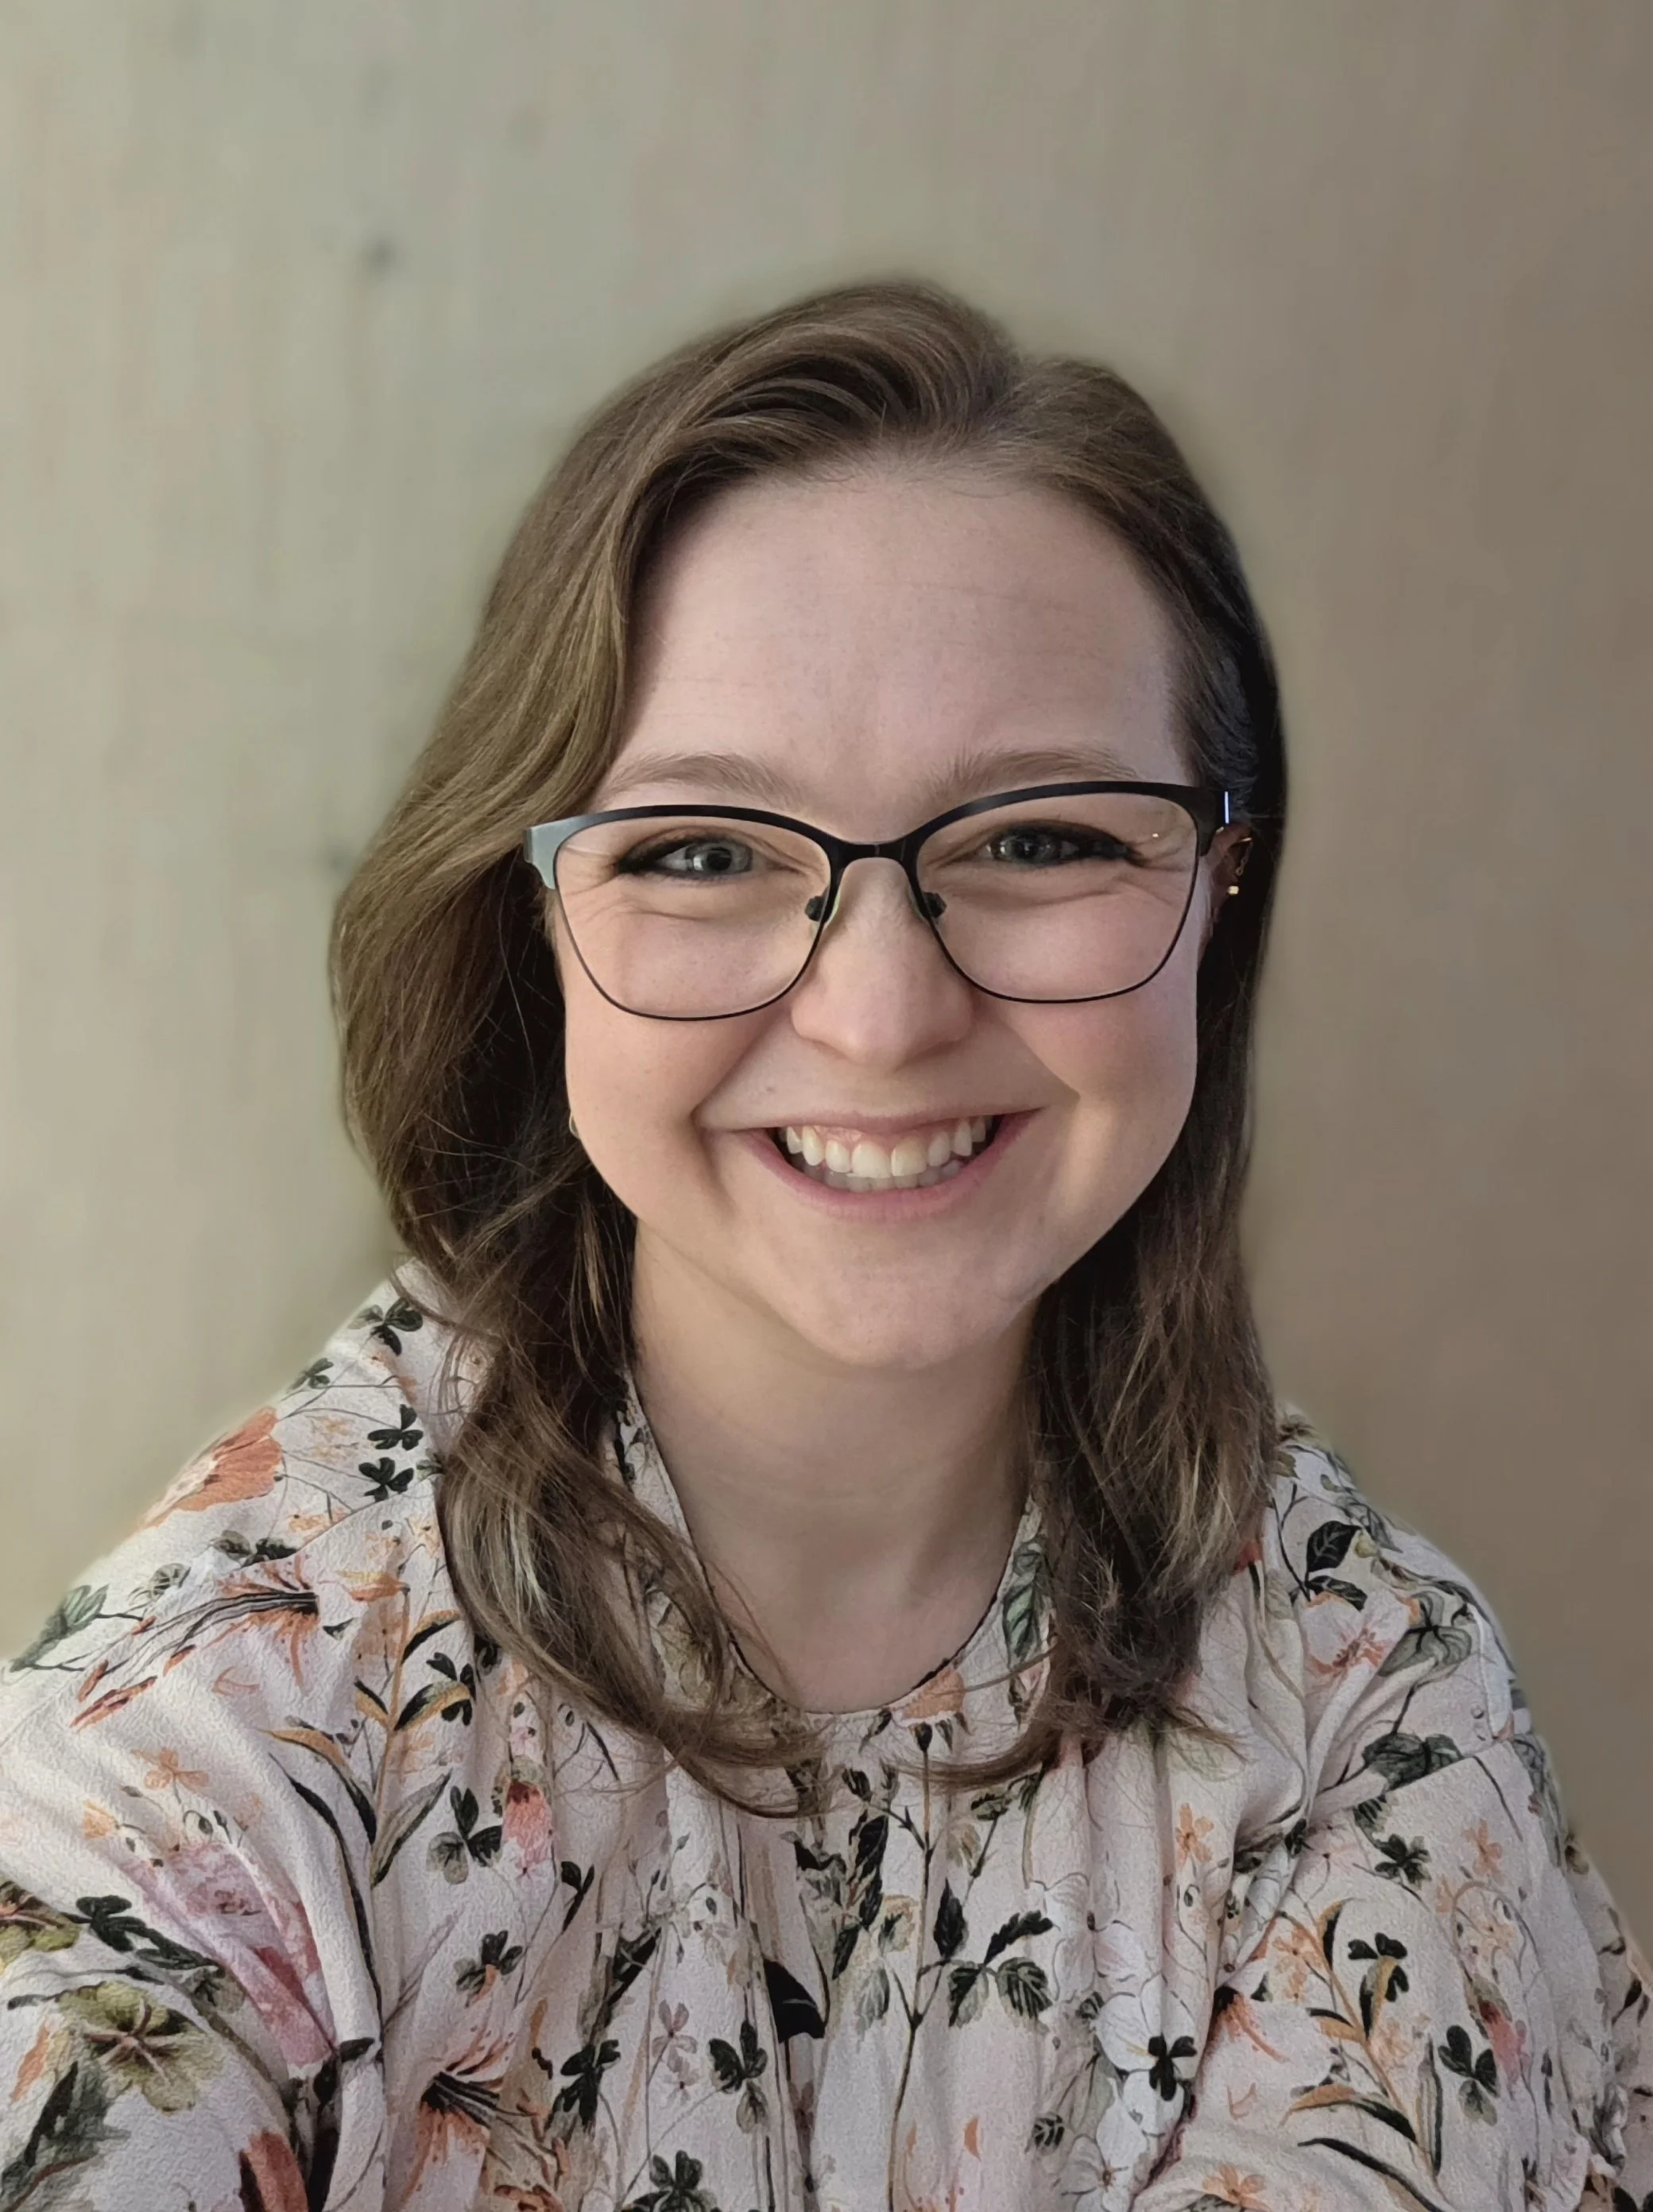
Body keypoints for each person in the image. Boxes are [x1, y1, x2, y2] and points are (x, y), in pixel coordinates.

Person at [0, 280, 1645, 2212]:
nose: (876, 1020)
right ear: (536, 923)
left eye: (1038, 838)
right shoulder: (230, 1711)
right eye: (701, 851)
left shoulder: (1374, 1709)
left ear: (1218, 886)